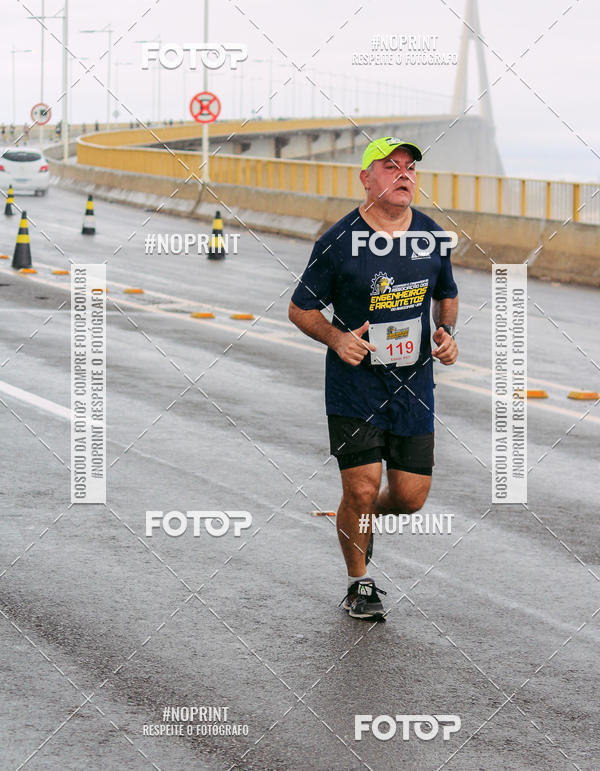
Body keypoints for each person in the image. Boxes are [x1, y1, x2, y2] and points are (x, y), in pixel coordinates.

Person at [289, 137, 459, 621]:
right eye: (391, 167)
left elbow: (447, 294)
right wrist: (336, 338)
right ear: (367, 178)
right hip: (354, 385)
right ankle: (359, 583)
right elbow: (300, 309)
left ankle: (357, 518)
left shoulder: (431, 236)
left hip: (413, 387)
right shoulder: (339, 241)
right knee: (361, 488)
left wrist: (447, 332)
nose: (404, 175)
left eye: (409, 168)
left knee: (409, 498)